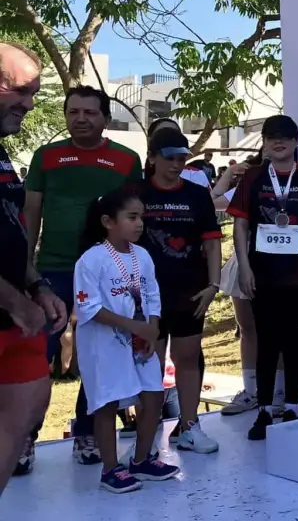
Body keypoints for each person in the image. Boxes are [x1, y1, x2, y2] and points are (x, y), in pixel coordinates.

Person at [23, 85, 142, 466]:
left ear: (105, 117)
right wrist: (25, 272)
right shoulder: (46, 157)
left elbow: (132, 218)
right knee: (41, 354)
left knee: (97, 356)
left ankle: (87, 435)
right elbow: (31, 217)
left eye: (89, 112)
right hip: (53, 269)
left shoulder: (126, 160)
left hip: (106, 270)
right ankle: (24, 439)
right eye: (73, 111)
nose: (80, 118)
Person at [74, 187, 181, 493]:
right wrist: (135, 326)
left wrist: (152, 327)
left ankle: (141, 459)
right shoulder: (91, 260)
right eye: (131, 217)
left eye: (141, 218)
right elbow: (88, 307)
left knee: (153, 395)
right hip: (104, 345)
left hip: (141, 340)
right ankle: (110, 468)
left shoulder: (142, 256)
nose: (139, 224)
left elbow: (151, 293)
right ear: (108, 221)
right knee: (107, 404)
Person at [227, 115, 298, 440]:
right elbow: (240, 225)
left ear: (297, 142)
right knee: (266, 341)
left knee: (295, 342)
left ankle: (293, 406)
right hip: (262, 273)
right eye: (271, 137)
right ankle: (264, 411)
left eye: (284, 137)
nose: (278, 142)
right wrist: (244, 266)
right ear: (265, 144)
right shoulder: (253, 177)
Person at [0, 42, 68, 492]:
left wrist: (36, 285)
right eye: (20, 90)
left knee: (21, 415)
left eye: (33, 93)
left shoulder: (2, 154)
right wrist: (16, 302)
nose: (28, 103)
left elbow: (11, 230)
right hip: (12, 312)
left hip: (15, 319)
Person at [139, 128, 222, 453]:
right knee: (151, 365)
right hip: (147, 296)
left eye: (181, 158)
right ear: (153, 158)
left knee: (187, 358)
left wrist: (214, 285)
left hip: (191, 290)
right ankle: (147, 435)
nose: (176, 165)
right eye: (169, 158)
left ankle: (189, 426)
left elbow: (213, 243)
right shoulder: (136, 193)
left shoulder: (197, 194)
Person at [214, 151, 287, 417]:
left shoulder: (295, 187)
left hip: (280, 265)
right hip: (244, 262)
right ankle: (251, 391)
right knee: (247, 329)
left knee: (277, 331)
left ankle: (278, 394)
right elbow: (210, 202)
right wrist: (228, 175)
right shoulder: (248, 187)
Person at [146, 118, 209, 187]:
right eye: (162, 134)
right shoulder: (136, 185)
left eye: (175, 134)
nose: (171, 138)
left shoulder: (196, 176)